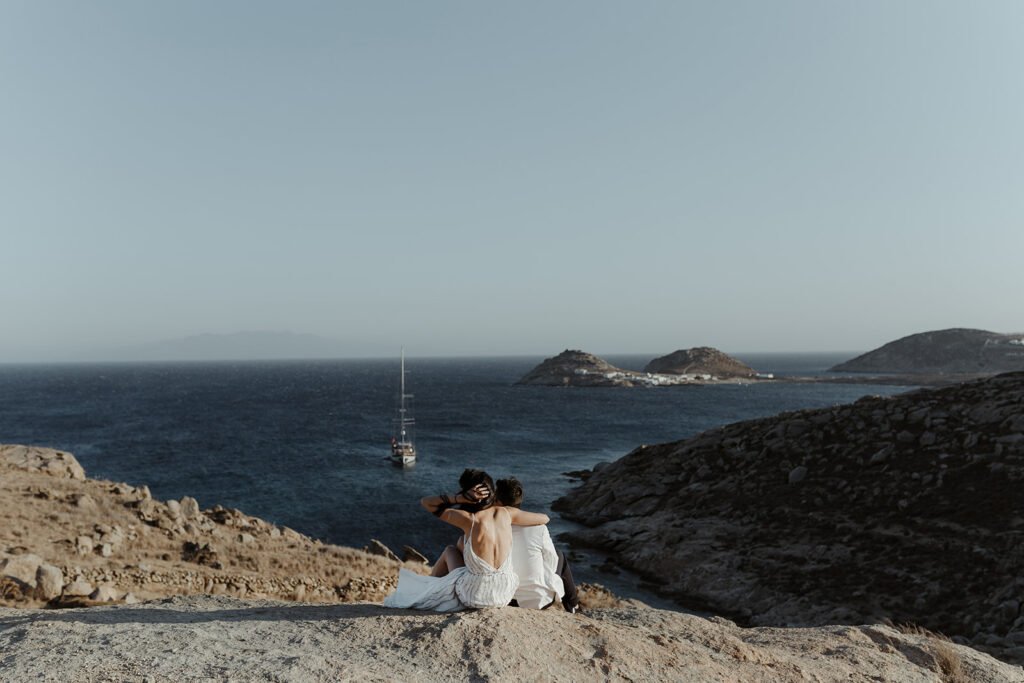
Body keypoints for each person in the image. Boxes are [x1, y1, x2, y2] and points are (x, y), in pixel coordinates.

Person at [382, 470, 550, 611]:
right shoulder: (507, 513)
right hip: (504, 592)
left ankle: (429, 588)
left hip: (475, 596)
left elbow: (426, 503)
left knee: (450, 550)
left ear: (470, 494)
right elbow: (545, 518)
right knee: (462, 548)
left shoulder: (468, 519)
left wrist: (458, 498)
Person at [495, 477, 580, 614]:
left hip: (505, 599)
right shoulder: (538, 528)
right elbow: (551, 560)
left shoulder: (490, 528)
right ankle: (573, 605)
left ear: (497, 502)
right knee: (559, 555)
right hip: (538, 601)